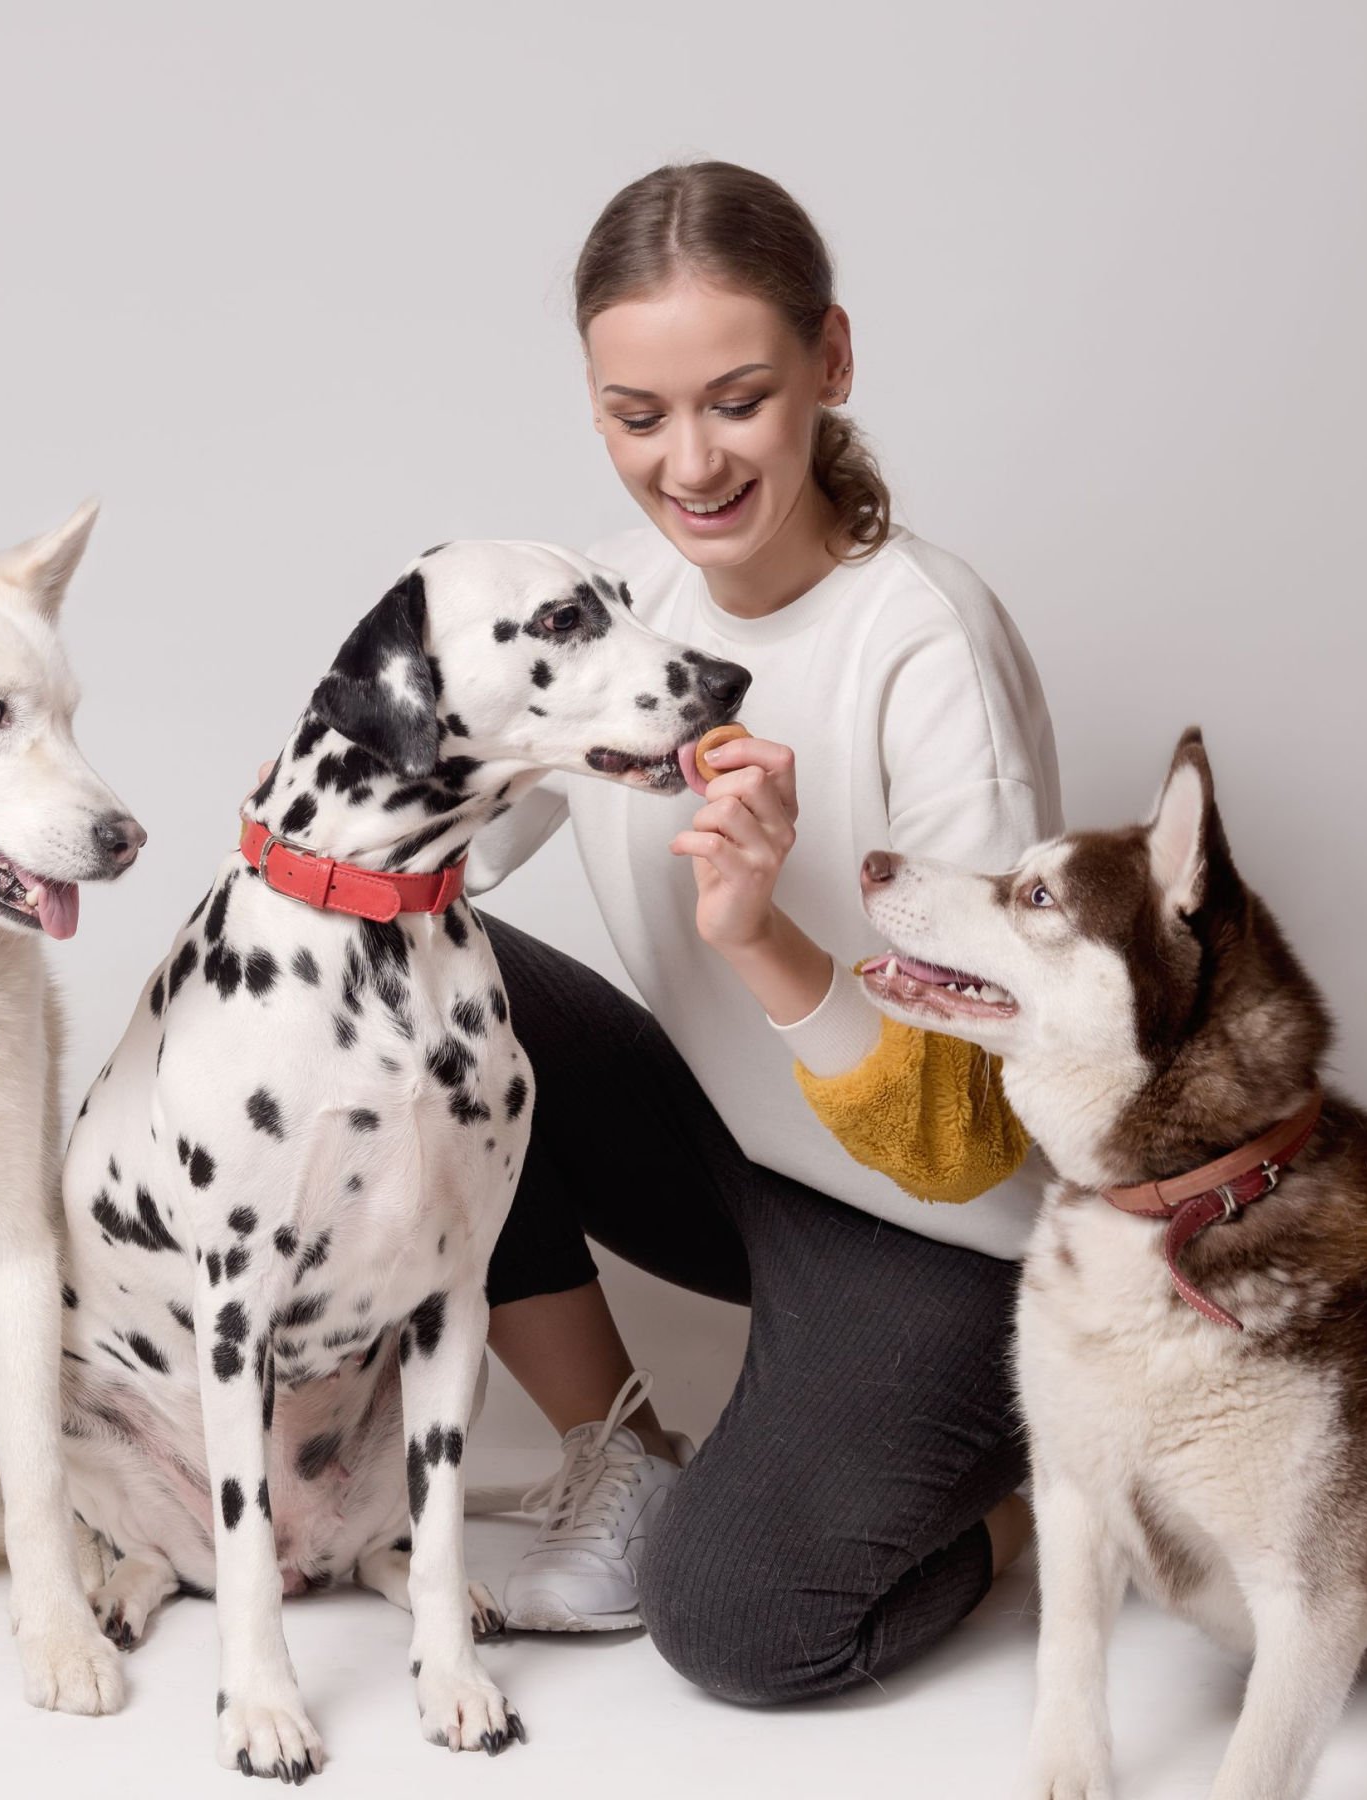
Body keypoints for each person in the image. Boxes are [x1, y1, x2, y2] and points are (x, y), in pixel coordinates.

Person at [461, 161, 1058, 1703]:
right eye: (636, 414)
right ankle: (621, 1451)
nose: (692, 463)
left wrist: (762, 936)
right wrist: (338, 790)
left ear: (830, 362)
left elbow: (977, 1138)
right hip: (744, 1158)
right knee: (421, 981)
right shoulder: (625, 604)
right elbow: (452, 846)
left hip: (950, 1240)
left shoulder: (922, 649)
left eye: (738, 399)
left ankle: (1032, 1497)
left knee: (739, 1628)